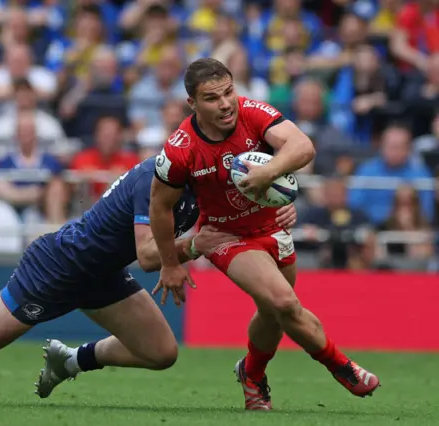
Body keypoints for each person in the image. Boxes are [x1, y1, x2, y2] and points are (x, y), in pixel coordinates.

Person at [0, 156, 297, 398]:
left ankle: (70, 362)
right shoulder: (154, 180)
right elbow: (151, 258)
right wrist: (197, 245)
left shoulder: (204, 179)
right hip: (59, 266)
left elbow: (235, 211)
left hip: (101, 273)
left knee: (161, 352)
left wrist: (275, 215)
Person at [148, 58, 380, 411]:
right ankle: (342, 367)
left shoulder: (252, 112)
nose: (225, 103)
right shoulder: (180, 149)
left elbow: (302, 146)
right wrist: (169, 264)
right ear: (192, 104)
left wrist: (270, 175)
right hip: (227, 238)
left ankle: (252, 374)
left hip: (275, 227)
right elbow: (158, 207)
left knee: (272, 313)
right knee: (285, 302)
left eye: (229, 92)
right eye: (212, 98)